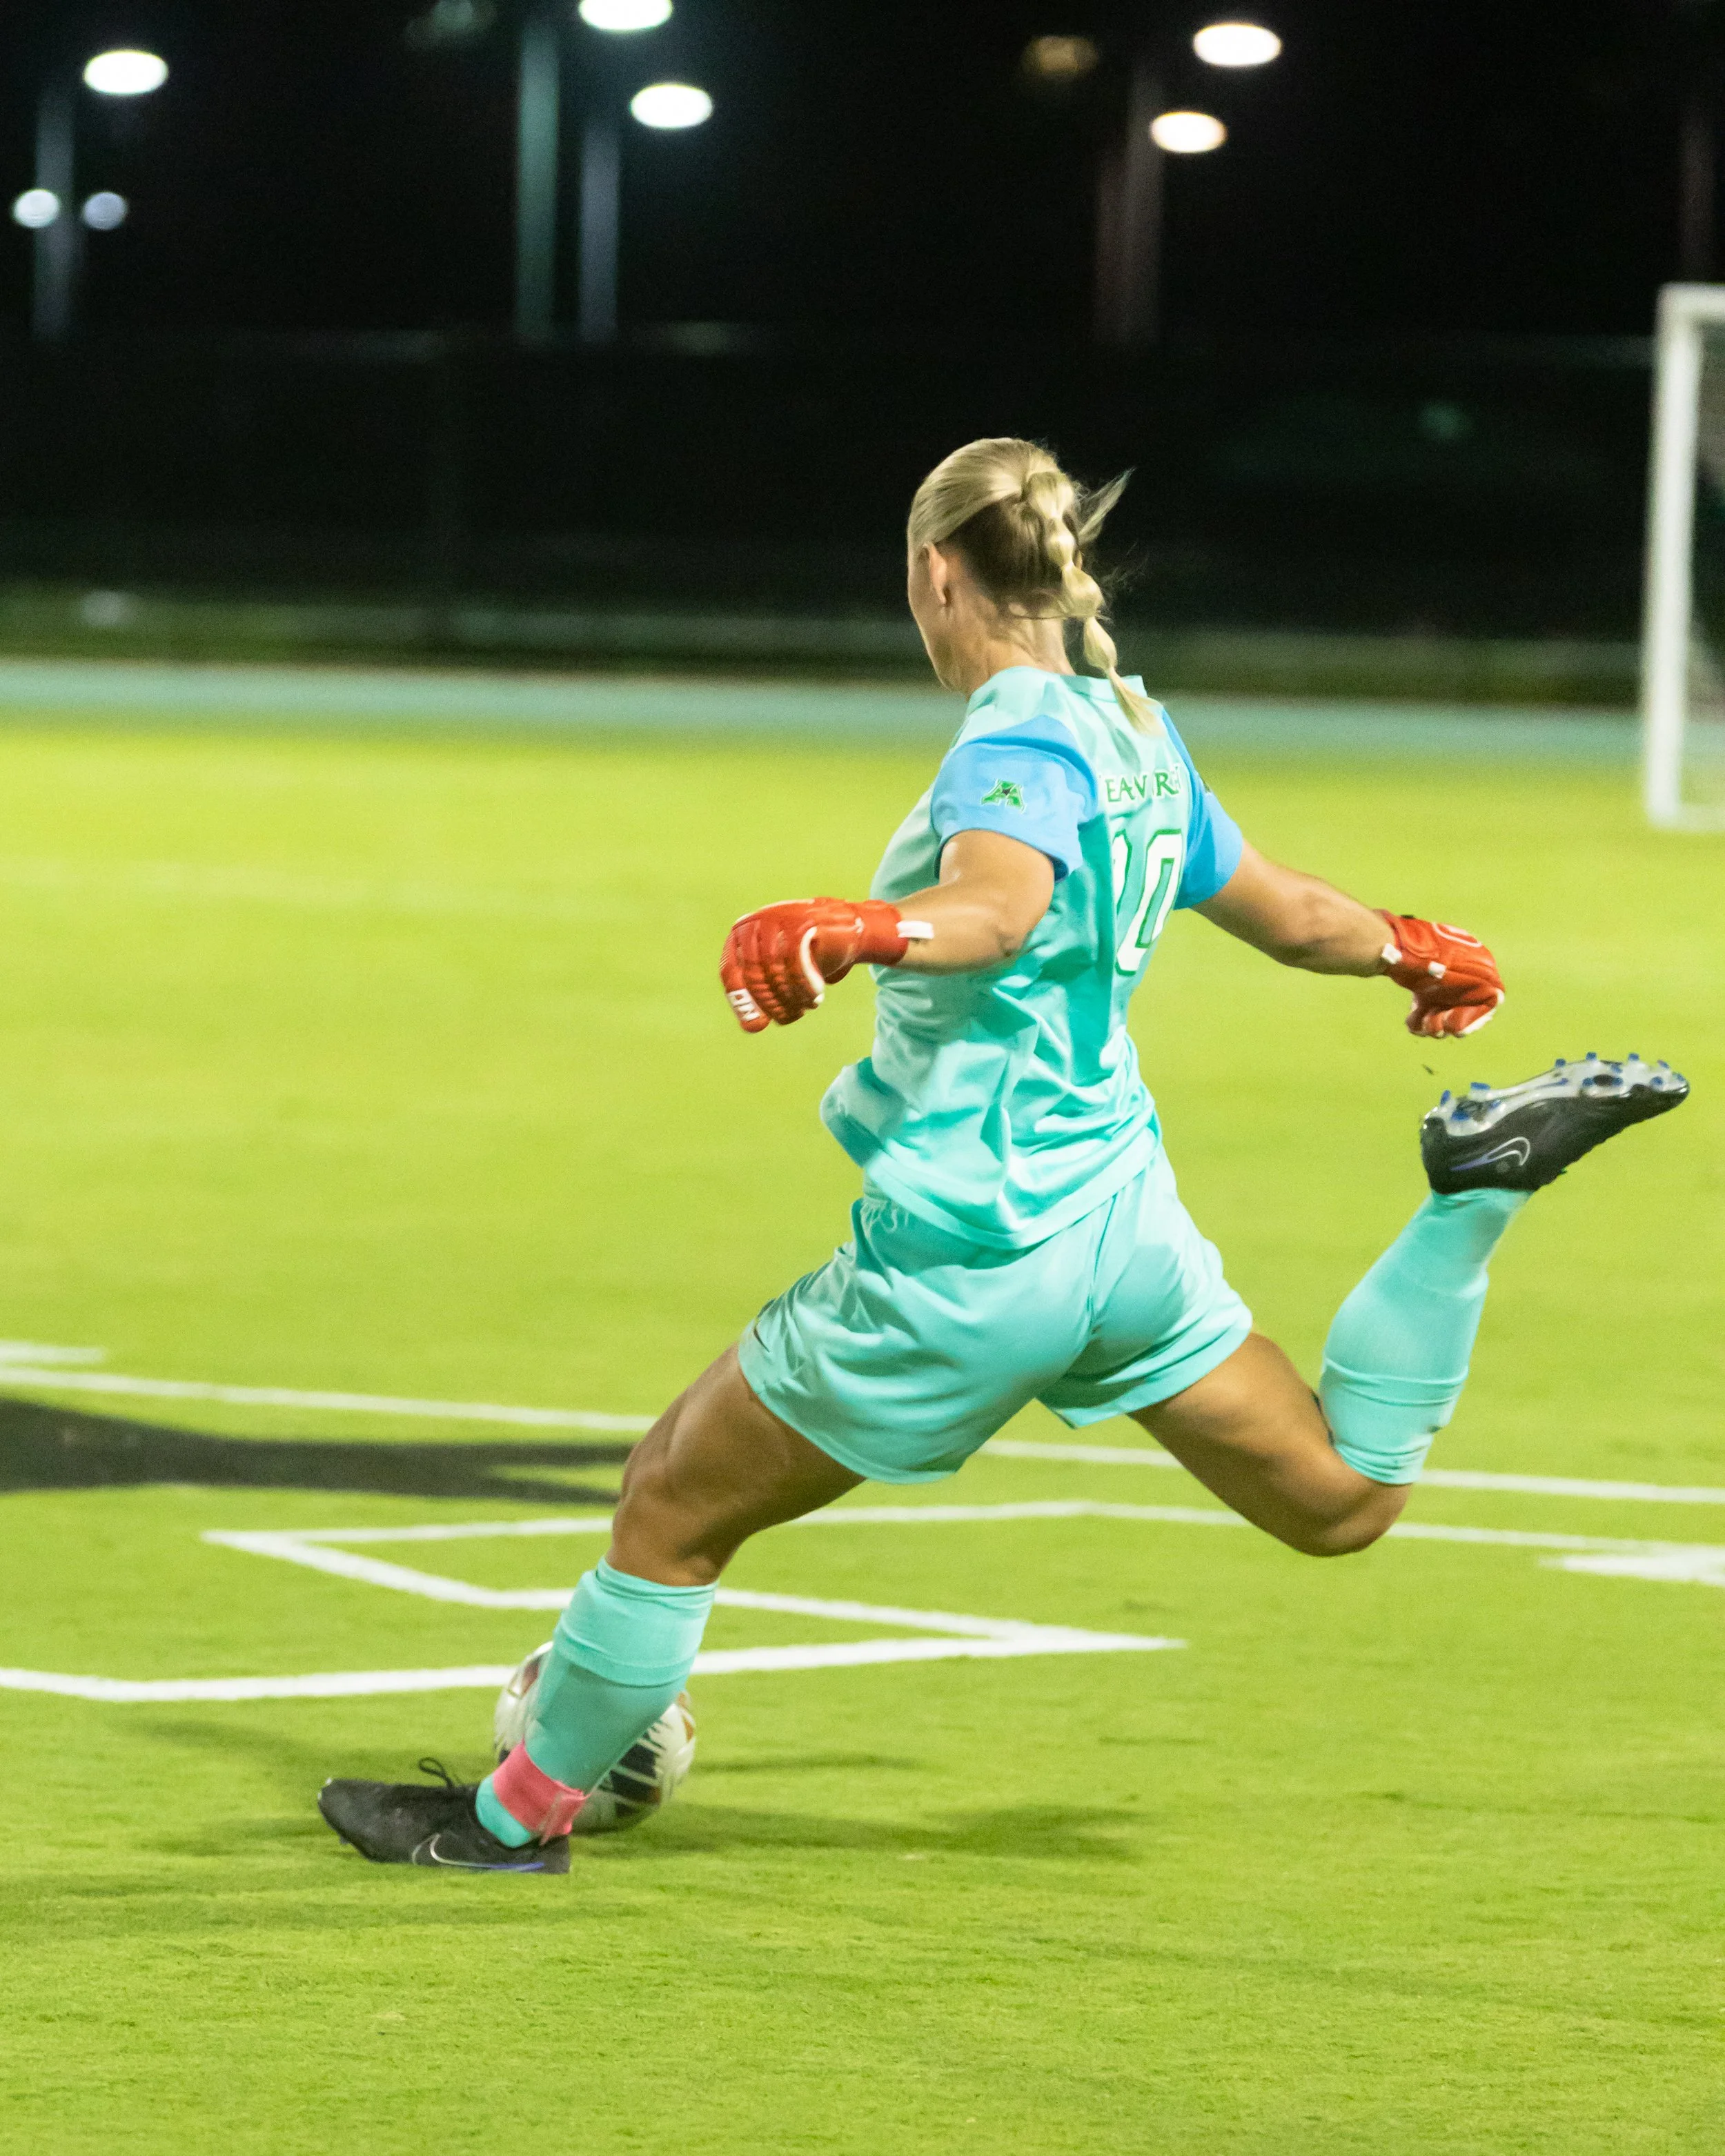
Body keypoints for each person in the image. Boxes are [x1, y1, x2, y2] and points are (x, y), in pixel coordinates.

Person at [319, 437, 1688, 1872]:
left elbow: (993, 909)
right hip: (1120, 1220)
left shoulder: (1017, 742)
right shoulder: (1132, 735)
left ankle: (506, 1820)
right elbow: (1288, 912)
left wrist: (854, 925)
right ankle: (1468, 1198)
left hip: (976, 1240)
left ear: (935, 573)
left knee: (669, 1498)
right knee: (1340, 1496)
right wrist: (1408, 946)